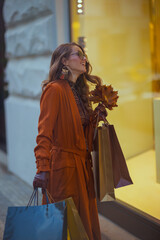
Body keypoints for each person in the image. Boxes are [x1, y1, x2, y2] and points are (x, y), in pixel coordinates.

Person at [33, 42, 107, 240]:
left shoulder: (77, 92)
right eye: (79, 54)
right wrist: (42, 168)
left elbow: (81, 137)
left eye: (85, 55)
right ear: (64, 60)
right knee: (63, 226)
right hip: (63, 170)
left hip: (82, 169)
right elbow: (44, 134)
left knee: (82, 225)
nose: (84, 59)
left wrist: (96, 118)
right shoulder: (54, 90)